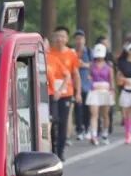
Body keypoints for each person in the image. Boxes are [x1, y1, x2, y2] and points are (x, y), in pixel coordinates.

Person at [47, 27, 82, 160]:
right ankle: (52, 148)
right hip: (51, 92)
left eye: (62, 36)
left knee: (63, 122)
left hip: (66, 93)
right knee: (52, 120)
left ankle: (60, 151)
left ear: (67, 39)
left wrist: (78, 93)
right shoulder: (49, 53)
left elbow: (75, 74)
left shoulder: (71, 54)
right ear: (53, 38)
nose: (59, 39)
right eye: (57, 36)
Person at [86, 44, 115, 145]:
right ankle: (94, 135)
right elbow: (89, 77)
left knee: (105, 114)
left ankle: (105, 133)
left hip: (105, 91)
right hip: (94, 91)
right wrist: (89, 79)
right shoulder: (91, 65)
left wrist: (112, 90)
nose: (99, 58)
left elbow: (111, 80)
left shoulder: (108, 66)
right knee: (94, 114)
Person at [73, 30, 93, 141]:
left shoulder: (89, 51)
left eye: (81, 39)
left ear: (84, 40)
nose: (79, 41)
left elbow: (94, 65)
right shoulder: (72, 52)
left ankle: (87, 127)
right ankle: (79, 130)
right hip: (75, 84)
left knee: (87, 108)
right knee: (78, 109)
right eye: (77, 39)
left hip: (87, 84)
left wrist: (84, 64)